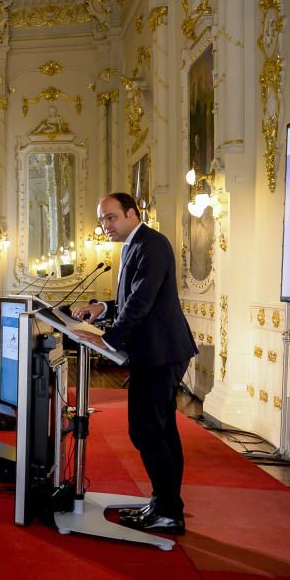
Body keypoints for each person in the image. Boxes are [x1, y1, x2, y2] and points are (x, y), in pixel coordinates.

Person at [72, 192, 197, 535]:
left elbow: (141, 301)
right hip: (156, 351)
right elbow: (132, 298)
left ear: (131, 213)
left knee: (147, 430)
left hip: (161, 351)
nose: (105, 226)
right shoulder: (135, 245)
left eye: (110, 217)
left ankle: (168, 510)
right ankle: (166, 504)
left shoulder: (152, 243)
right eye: (101, 220)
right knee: (161, 430)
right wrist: (104, 307)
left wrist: (108, 340)